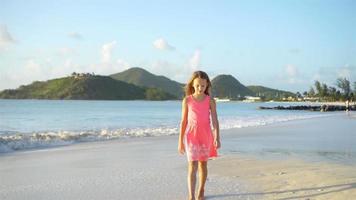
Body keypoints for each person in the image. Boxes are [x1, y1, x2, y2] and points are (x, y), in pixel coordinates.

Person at [178, 71, 221, 200]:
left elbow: (215, 120)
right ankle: (191, 196)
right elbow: (183, 121)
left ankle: (201, 190)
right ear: (193, 85)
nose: (200, 88)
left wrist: (217, 137)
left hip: (206, 135)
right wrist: (180, 141)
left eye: (203, 86)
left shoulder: (210, 101)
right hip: (191, 136)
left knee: (203, 164)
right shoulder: (187, 100)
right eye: (197, 86)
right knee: (192, 165)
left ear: (207, 85)